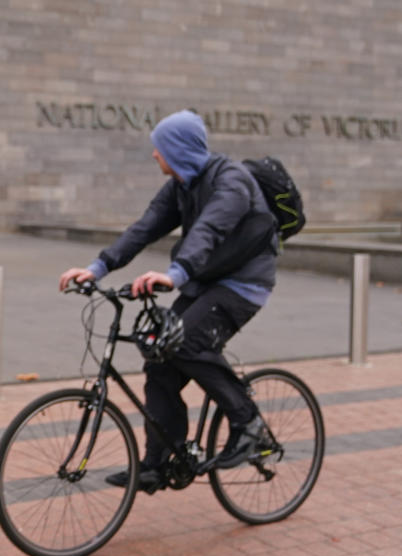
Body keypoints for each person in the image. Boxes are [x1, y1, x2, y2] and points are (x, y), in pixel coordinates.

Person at [58, 109, 278, 492]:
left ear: (177, 151)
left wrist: (173, 275)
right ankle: (159, 463)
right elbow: (145, 228)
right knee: (160, 356)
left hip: (242, 284)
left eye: (159, 149)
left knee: (189, 342)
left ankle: (250, 425)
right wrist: (98, 268)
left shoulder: (232, 182)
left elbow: (209, 230)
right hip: (204, 280)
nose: (154, 156)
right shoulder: (181, 185)